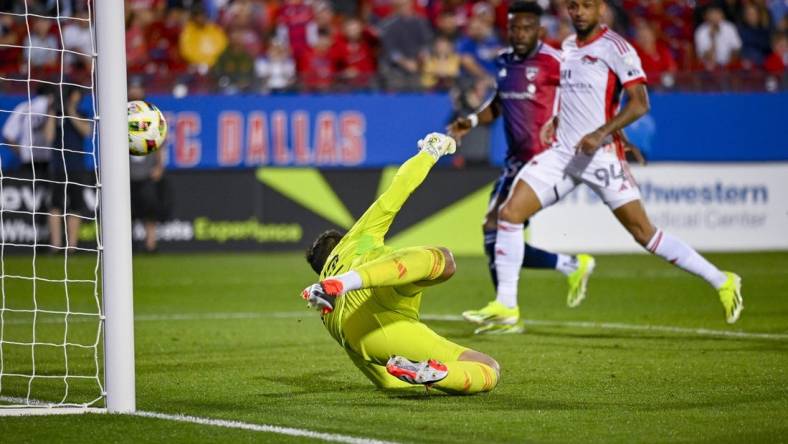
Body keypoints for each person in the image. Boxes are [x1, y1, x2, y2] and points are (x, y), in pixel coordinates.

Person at [489, 0, 742, 325]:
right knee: (509, 215)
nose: (578, 12)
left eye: (586, 6)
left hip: (601, 156)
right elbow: (576, 95)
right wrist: (556, 117)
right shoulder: (567, 46)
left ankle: (722, 280)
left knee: (644, 234)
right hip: (564, 153)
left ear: (601, 10)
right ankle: (506, 306)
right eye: (573, 6)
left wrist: (603, 132)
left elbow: (640, 104)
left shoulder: (617, 49)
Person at [301, 132, 500, 394]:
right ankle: (346, 282)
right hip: (386, 295)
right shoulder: (354, 239)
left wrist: (402, 374)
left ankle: (435, 374)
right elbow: (399, 188)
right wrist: (430, 152)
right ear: (339, 241)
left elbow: (382, 378)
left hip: (373, 335)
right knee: (444, 261)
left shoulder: (326, 314)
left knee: (486, 366)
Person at [448, 1, 594, 334]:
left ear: (540, 31)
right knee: (493, 231)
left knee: (496, 225)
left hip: (545, 162)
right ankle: (565, 267)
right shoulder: (502, 61)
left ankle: (508, 309)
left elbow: (586, 96)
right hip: (515, 163)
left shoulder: (555, 62)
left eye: (527, 28)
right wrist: (470, 120)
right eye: (514, 27)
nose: (519, 33)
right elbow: (499, 103)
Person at [48, 86, 93, 251]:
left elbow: (86, 131)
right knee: (55, 205)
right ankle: (55, 246)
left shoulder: (81, 113)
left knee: (76, 205)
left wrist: (71, 111)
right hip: (58, 166)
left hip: (76, 167)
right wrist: (52, 112)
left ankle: (72, 247)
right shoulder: (55, 114)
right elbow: (48, 136)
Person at [128, 80, 169, 253]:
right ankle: (126, 247)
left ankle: (150, 244)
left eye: (138, 87)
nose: (135, 91)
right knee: (126, 212)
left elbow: (161, 142)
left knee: (149, 210)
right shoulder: (118, 112)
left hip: (146, 171)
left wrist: (160, 166)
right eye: (133, 87)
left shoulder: (152, 114)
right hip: (126, 173)